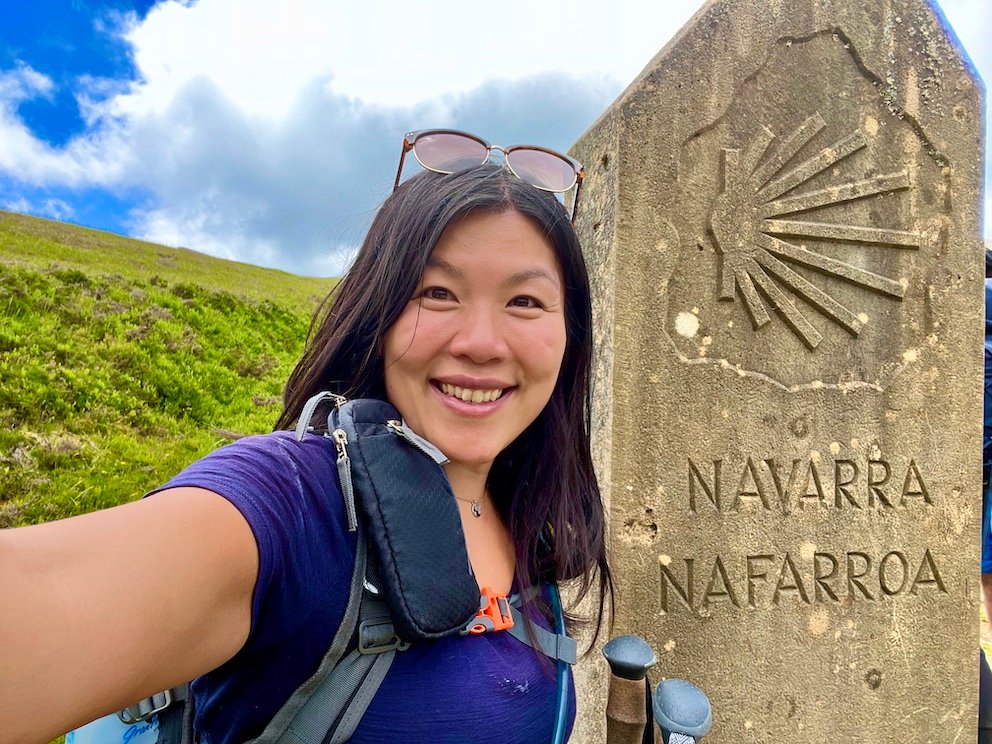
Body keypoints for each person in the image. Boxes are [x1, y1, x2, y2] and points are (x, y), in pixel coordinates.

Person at [0, 132, 614, 743]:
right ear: (380, 311)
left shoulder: (534, 519)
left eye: (526, 301)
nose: (481, 341)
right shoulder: (298, 502)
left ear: (570, 334)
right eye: (437, 292)